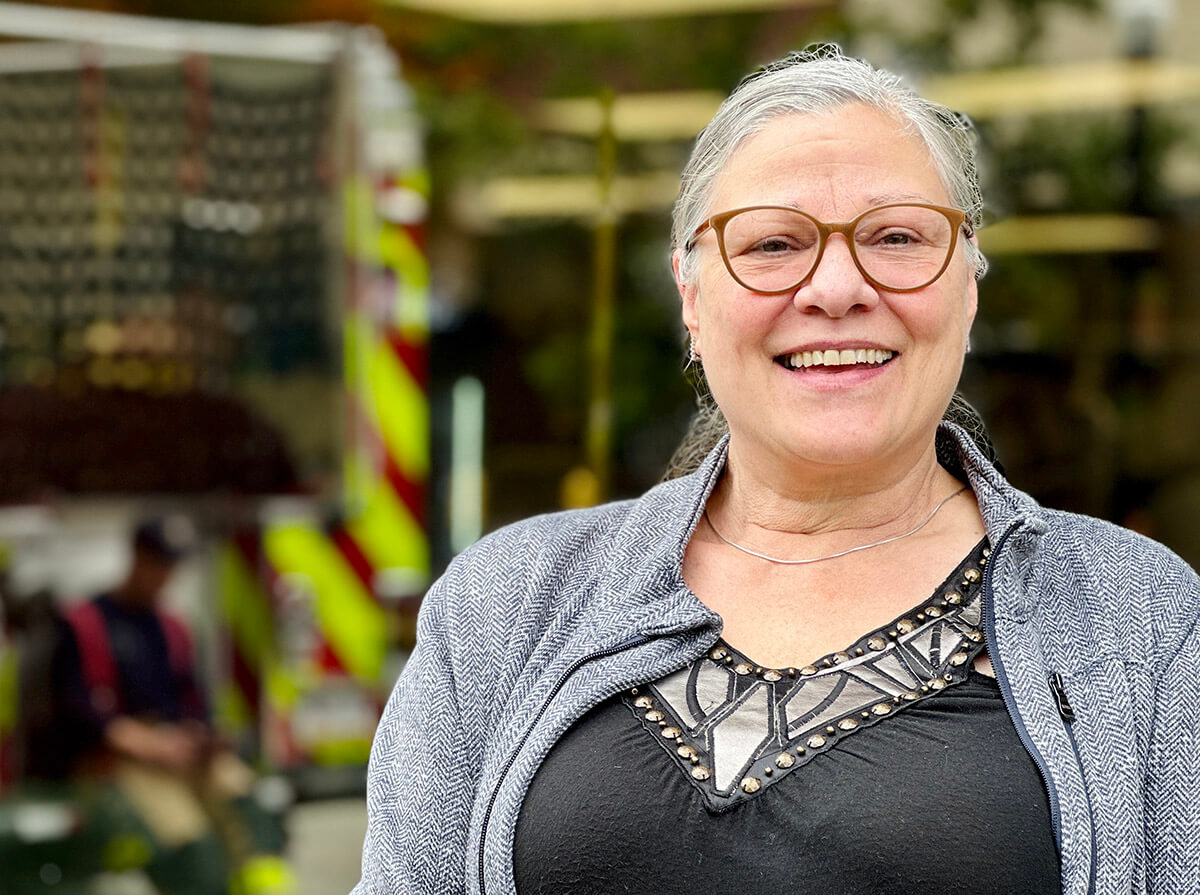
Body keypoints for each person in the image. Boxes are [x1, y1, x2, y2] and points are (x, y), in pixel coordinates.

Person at [354, 45, 1200, 895]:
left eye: (898, 235)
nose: (837, 287)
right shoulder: (506, 603)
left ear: (967, 288)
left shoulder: (1139, 620)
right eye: (773, 243)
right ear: (692, 295)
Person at [24, 516, 292, 895]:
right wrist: (151, 746)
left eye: (173, 565)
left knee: (248, 801)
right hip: (118, 760)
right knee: (188, 840)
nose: (167, 575)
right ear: (137, 557)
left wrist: (203, 735)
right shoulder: (85, 624)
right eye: (160, 563)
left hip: (178, 749)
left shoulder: (171, 626)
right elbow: (81, 714)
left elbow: (192, 700)